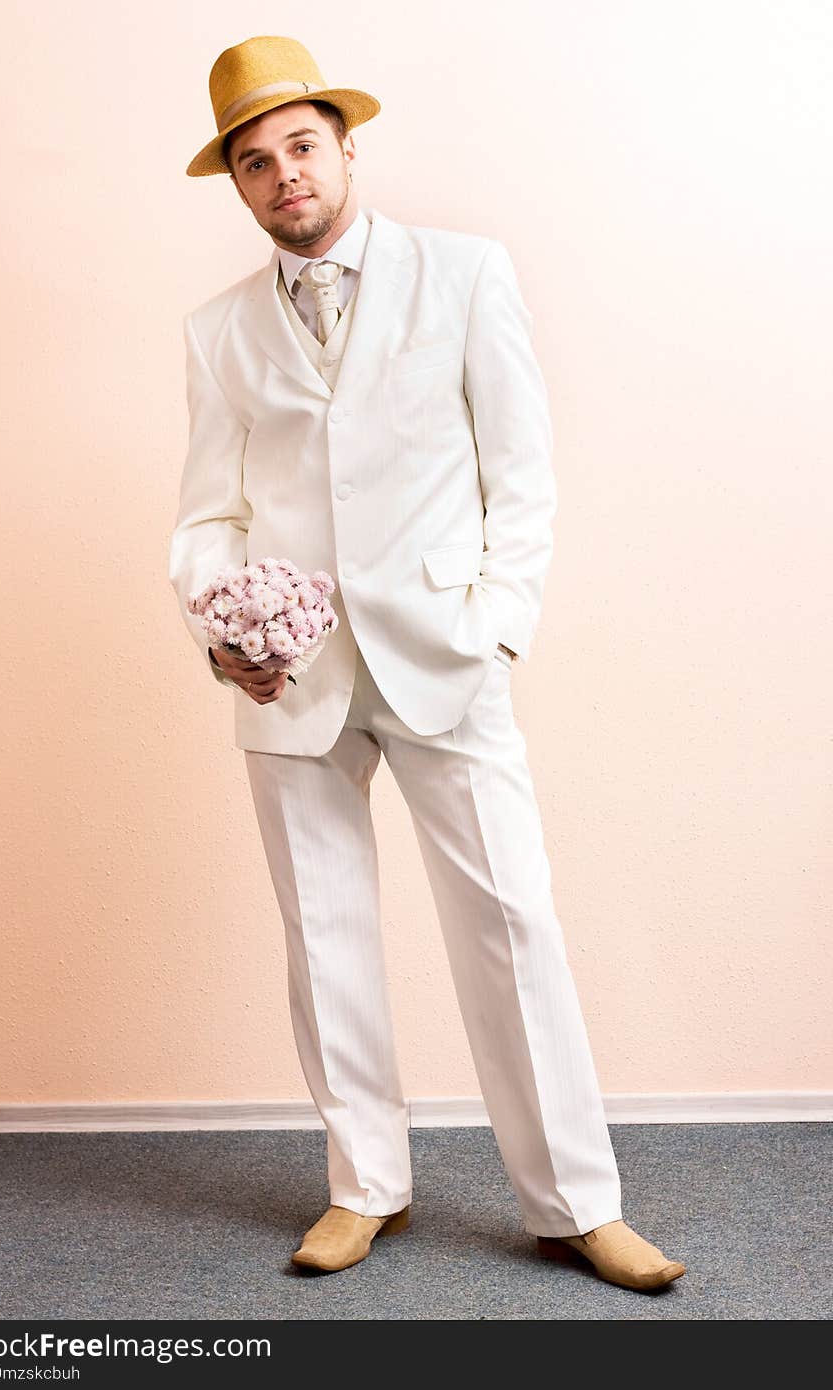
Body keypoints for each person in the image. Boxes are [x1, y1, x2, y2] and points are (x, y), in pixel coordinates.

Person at [169, 34, 686, 1293]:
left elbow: (521, 471)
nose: (284, 173)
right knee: (326, 933)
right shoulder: (217, 330)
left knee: (510, 920)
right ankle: (365, 1187)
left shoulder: (462, 274)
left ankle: (574, 1201)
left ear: (345, 148)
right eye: (255, 160)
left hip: (447, 654)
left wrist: (498, 623)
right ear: (236, 186)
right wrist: (218, 629)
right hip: (287, 680)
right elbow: (207, 516)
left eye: (301, 146)